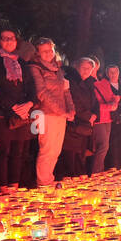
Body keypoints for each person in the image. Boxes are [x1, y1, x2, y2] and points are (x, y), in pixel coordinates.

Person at [0, 27, 35, 191]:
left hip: (22, 112)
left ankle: (15, 185)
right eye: (4, 38)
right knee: (2, 151)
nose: (8, 41)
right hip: (3, 112)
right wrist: (12, 105)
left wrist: (29, 103)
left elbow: (31, 86)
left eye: (11, 38)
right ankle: (2, 187)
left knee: (18, 151)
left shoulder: (21, 62)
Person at [25, 38, 74, 187]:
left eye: (50, 50)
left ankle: (48, 179)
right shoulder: (35, 68)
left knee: (55, 150)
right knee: (47, 149)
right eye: (44, 51)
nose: (48, 53)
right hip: (44, 114)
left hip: (60, 114)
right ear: (38, 53)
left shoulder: (57, 68)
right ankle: (43, 184)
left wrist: (71, 109)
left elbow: (65, 90)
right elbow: (42, 93)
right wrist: (61, 111)